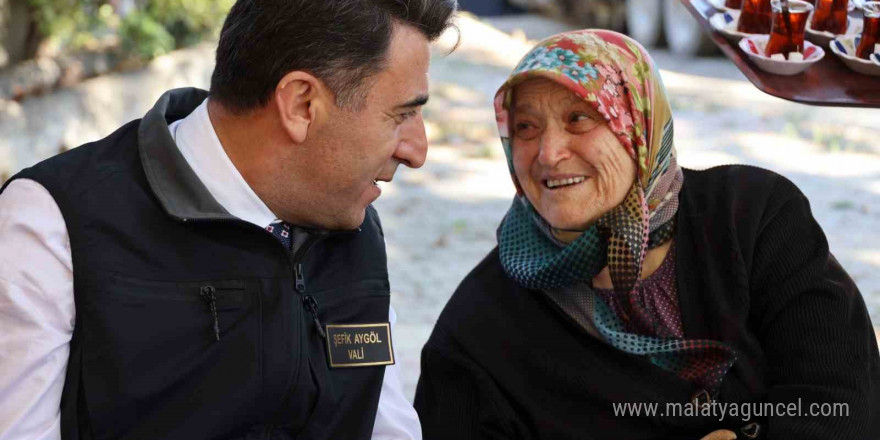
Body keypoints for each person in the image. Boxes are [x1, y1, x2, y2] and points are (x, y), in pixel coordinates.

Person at [0, 0, 456, 438]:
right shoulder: (51, 225)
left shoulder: (355, 227)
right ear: (300, 104)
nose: (417, 151)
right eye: (402, 114)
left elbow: (386, 424)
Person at [414, 29, 880, 439]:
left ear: (639, 124)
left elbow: (842, 400)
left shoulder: (753, 216)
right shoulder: (479, 329)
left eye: (580, 118)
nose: (548, 153)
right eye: (525, 128)